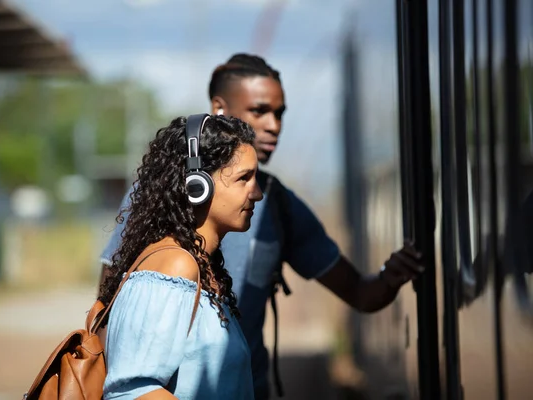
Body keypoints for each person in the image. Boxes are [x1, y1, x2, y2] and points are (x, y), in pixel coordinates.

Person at [99, 54, 424, 399]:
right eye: (259, 111)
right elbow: (118, 336)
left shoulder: (279, 205)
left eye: (280, 113)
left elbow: (360, 292)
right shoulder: (161, 204)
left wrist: (394, 273)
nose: (274, 125)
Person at [98, 114, 263, 399]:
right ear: (197, 185)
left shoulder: (202, 266)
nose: (257, 193)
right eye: (243, 178)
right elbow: (133, 391)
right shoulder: (175, 267)